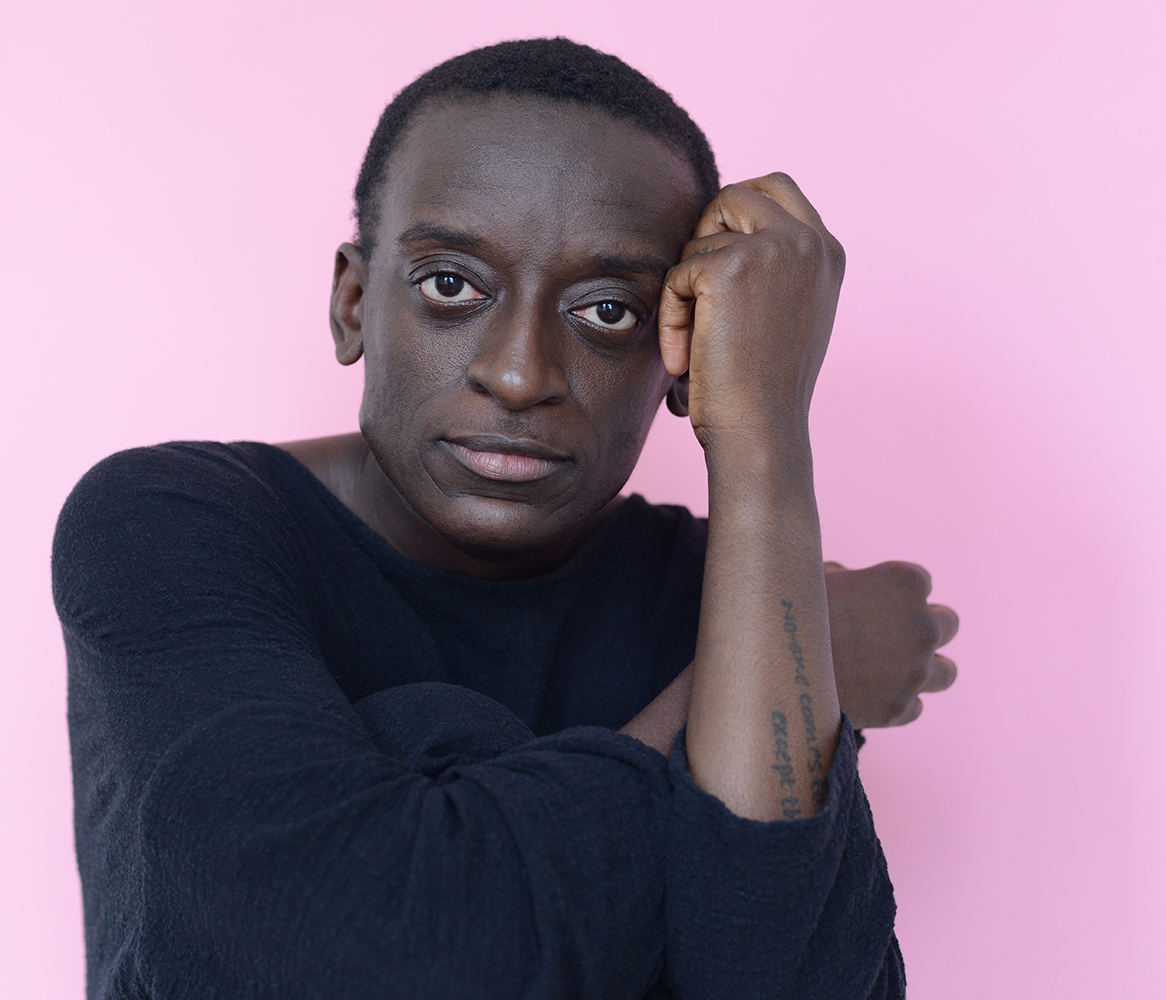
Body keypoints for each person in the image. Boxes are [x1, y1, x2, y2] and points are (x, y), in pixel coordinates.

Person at [53, 38, 958, 1000]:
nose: (521, 374)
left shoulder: (724, 587)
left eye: (608, 311)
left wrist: (765, 436)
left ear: (685, 356)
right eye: (451, 286)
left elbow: (781, 978)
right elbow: (380, 952)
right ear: (354, 305)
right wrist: (800, 659)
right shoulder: (171, 525)